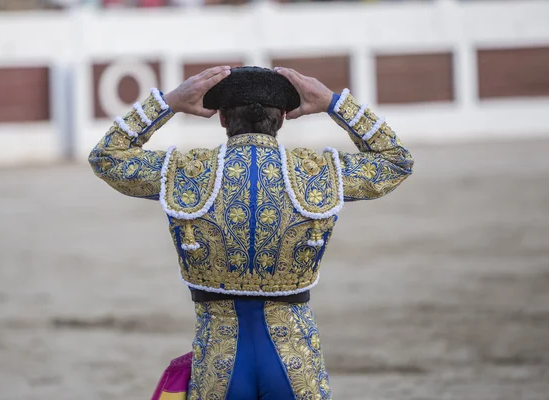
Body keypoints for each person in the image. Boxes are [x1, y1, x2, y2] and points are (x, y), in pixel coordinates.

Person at [89, 65, 413, 399]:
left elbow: (107, 157)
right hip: (294, 359)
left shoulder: (189, 173)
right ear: (283, 118)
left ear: (223, 119)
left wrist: (169, 102)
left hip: (219, 359)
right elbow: (396, 161)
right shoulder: (315, 174)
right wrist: (333, 102)